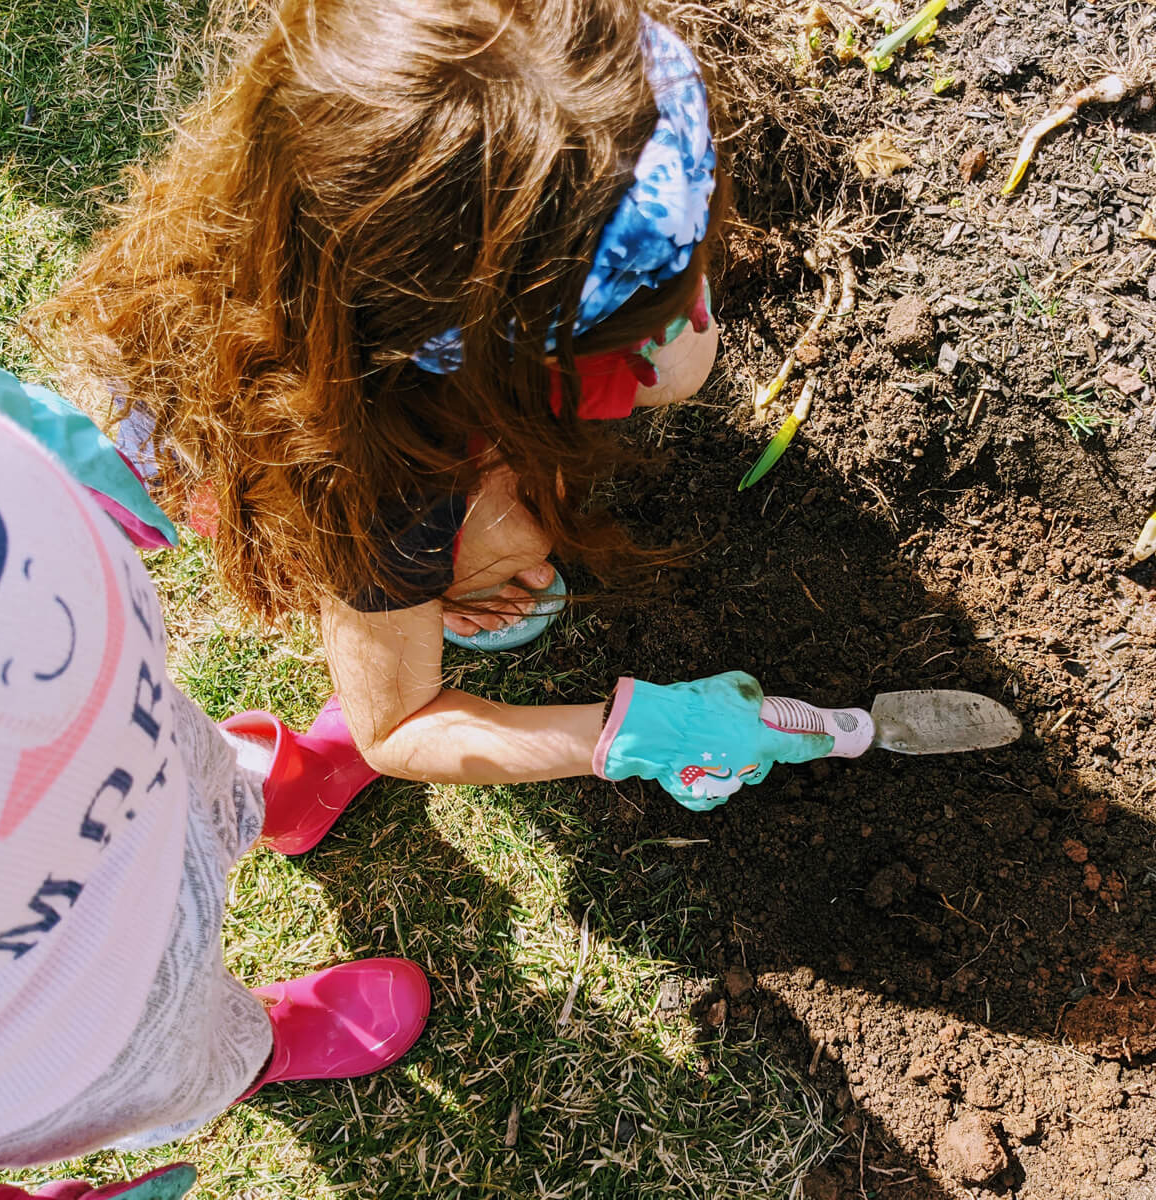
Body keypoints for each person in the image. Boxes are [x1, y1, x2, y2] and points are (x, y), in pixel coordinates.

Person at [42, 0, 839, 814]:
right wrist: (629, 732)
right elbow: (396, 726)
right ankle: (453, 587)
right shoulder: (376, 481)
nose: (696, 300)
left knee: (677, 367)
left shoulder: (384, 109)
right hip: (269, 457)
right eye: (653, 300)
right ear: (494, 372)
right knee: (515, 543)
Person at [0, 335, 431, 1168]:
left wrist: (17, 423)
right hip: (41, 1015)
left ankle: (280, 799)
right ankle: (250, 1050)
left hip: (108, 722)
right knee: (161, 1050)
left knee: (192, 773)